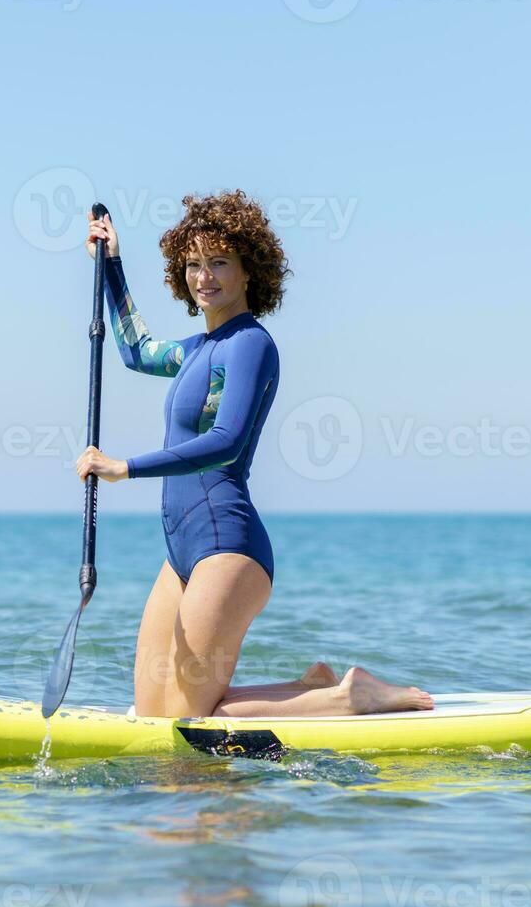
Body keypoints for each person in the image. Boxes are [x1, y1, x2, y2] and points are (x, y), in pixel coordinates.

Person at [74, 191, 434, 719]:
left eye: (219, 262)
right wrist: (112, 266)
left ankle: (350, 695)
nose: (205, 277)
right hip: (180, 553)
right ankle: (310, 685)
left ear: (248, 271)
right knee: (152, 714)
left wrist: (126, 467)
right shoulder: (195, 351)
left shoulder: (251, 344)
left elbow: (227, 441)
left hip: (228, 546)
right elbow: (134, 351)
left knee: (192, 720)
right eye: (194, 264)